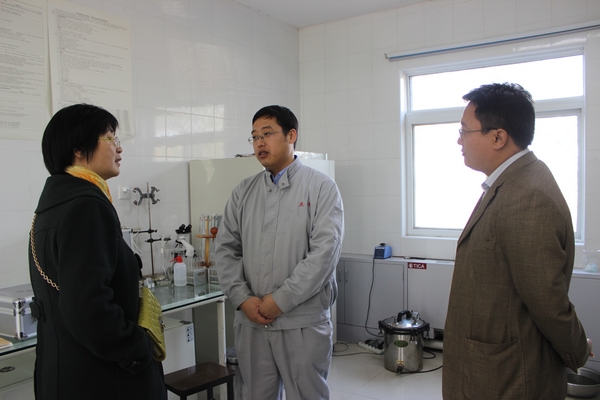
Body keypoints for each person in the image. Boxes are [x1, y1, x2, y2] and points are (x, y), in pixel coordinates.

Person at [442, 83, 594, 399]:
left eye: (464, 131)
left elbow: (547, 301)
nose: (459, 140)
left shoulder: (528, 197)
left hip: (508, 378)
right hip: (492, 369)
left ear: (498, 137)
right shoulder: (511, 183)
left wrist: (578, 349)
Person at [28, 104, 166, 400]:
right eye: (111, 138)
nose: (119, 148)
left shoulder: (52, 207)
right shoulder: (87, 206)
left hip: (64, 372)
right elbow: (87, 306)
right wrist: (135, 348)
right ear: (79, 149)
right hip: (103, 380)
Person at [215, 105, 344, 400]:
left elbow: (324, 254)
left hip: (302, 323)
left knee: (307, 395)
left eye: (268, 134)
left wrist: (281, 300)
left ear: (291, 136)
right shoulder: (243, 191)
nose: (260, 142)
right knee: (255, 395)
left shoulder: (321, 187)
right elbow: (226, 249)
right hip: (252, 321)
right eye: (254, 137)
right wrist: (242, 298)